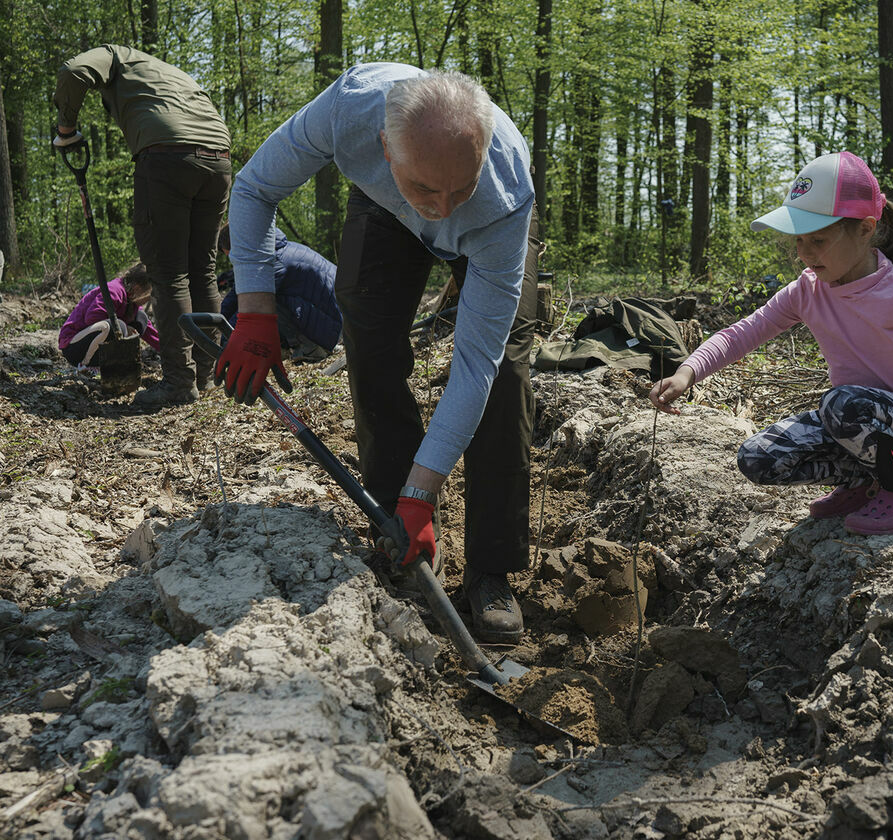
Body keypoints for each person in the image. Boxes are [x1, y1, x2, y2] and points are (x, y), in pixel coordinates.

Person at [220, 66, 540, 643]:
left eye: (456, 189)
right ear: (386, 148)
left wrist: (429, 485)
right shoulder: (348, 111)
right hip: (382, 207)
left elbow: (473, 363)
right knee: (367, 332)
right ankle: (402, 528)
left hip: (490, 228)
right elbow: (253, 189)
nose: (441, 209)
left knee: (503, 376)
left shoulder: (502, 193)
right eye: (427, 190)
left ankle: (490, 569)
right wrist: (256, 311)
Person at [649, 152, 893, 536]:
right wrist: (688, 372)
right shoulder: (807, 290)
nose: (805, 252)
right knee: (759, 457)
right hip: (852, 422)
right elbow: (745, 332)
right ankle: (861, 484)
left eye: (819, 239)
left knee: (841, 403)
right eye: (799, 239)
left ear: (866, 229)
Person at [53, 45, 231, 407]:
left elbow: (73, 71)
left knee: (168, 273)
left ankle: (180, 383)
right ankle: (205, 374)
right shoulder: (171, 73)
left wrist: (66, 129)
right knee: (203, 270)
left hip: (168, 155)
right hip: (219, 156)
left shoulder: (114, 56)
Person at [217, 225, 341, 363]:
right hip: (331, 318)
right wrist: (217, 323)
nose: (234, 263)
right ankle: (290, 346)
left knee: (266, 301)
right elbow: (236, 294)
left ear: (240, 248)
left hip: (335, 325)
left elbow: (250, 306)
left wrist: (226, 341)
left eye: (233, 257)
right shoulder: (271, 253)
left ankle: (312, 348)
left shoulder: (275, 262)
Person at [59, 262, 160, 368]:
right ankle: (85, 365)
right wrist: (125, 327)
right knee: (117, 326)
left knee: (141, 318)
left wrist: (169, 350)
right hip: (74, 345)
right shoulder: (114, 291)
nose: (148, 300)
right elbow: (92, 317)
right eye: (149, 295)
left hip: (95, 343)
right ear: (137, 288)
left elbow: (150, 333)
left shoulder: (132, 302)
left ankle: (114, 364)